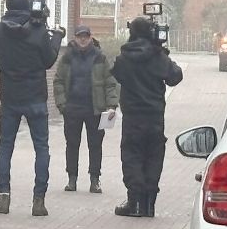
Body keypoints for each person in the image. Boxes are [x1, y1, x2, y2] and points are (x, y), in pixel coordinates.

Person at [0, 0, 65, 217]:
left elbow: (1, 56)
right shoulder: (38, 31)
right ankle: (38, 200)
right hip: (34, 96)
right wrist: (56, 37)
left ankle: (3, 195)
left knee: (5, 146)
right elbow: (48, 60)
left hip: (10, 96)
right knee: (41, 147)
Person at [110, 17, 183, 218]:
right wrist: (162, 53)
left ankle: (134, 202)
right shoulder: (158, 57)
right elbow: (175, 77)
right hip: (155, 117)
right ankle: (149, 204)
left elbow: (116, 74)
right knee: (153, 157)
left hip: (133, 117)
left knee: (132, 156)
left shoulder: (124, 58)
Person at [52, 25, 118, 194]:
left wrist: (111, 105)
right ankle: (72, 179)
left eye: (86, 36)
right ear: (75, 38)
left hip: (95, 109)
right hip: (72, 109)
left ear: (90, 37)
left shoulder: (99, 57)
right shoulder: (67, 57)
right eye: (80, 36)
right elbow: (58, 81)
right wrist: (62, 104)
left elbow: (110, 83)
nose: (83, 39)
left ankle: (95, 179)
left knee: (95, 145)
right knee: (72, 144)